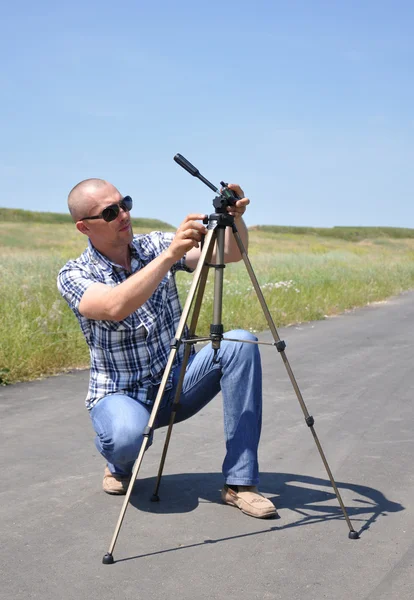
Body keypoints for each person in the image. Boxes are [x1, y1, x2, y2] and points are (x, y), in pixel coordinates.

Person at [57, 177, 277, 519]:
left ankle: (240, 483)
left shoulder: (154, 244)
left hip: (177, 383)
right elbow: (115, 306)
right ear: (84, 227)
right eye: (111, 212)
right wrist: (170, 255)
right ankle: (118, 461)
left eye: (125, 203)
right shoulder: (73, 273)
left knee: (241, 343)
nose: (124, 215)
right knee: (128, 437)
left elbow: (229, 253)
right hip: (120, 395)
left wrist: (234, 220)